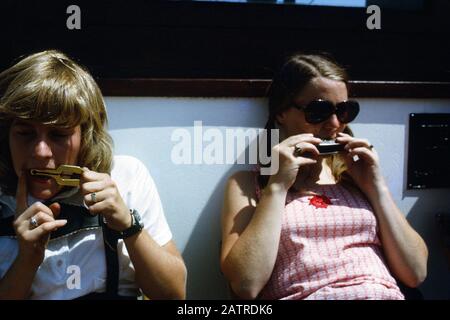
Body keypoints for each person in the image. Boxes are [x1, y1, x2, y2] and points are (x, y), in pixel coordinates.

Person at [220, 53, 428, 300]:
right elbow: (245, 285)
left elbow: (415, 273)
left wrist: (376, 186)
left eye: (344, 110)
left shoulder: (355, 176)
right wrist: (277, 186)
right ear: (281, 112)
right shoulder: (249, 184)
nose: (334, 123)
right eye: (319, 110)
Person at [0, 50, 187, 299]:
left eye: (58, 135)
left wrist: (129, 226)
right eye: (25, 133)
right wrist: (27, 260)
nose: (41, 152)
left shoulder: (126, 176)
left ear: (86, 137)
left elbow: (174, 294)